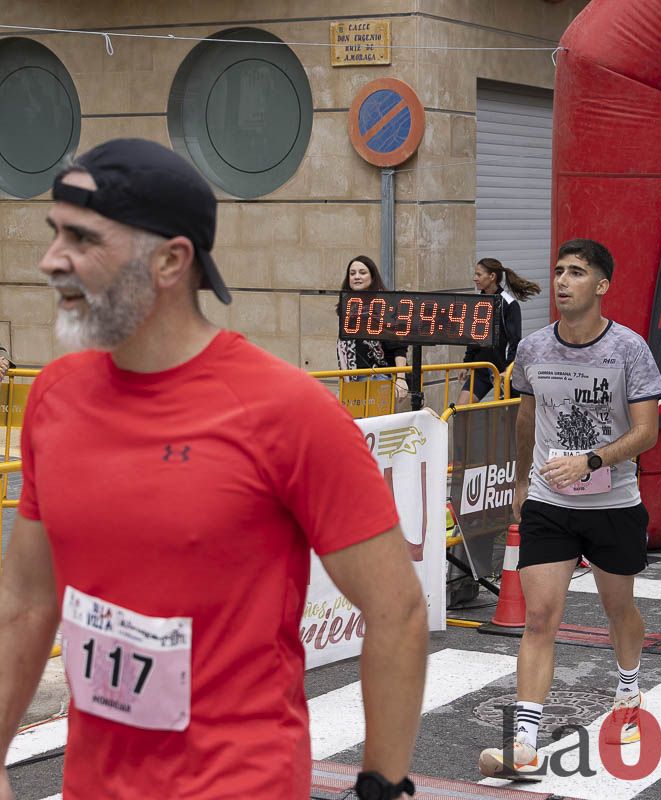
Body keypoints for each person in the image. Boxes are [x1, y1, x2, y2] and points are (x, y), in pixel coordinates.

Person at [0, 139, 428, 800]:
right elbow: (27, 602)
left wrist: (381, 783)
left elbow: (396, 608)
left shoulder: (288, 410)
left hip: (238, 781)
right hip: (93, 784)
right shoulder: (55, 395)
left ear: (171, 260)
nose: (51, 261)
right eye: (55, 233)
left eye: (82, 239)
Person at [477, 239, 661, 779]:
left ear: (602, 286)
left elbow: (646, 432)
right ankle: (524, 743)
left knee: (617, 610)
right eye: (558, 271)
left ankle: (629, 690)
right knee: (539, 618)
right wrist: (519, 482)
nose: (562, 281)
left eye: (577, 272)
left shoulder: (628, 349)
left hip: (612, 502)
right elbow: (524, 418)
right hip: (549, 500)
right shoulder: (534, 348)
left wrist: (592, 460)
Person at [455, 258, 541, 406]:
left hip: (503, 371)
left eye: (479, 274)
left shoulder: (509, 304)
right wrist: (466, 364)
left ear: (492, 276)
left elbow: (515, 341)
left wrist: (507, 371)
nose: (475, 278)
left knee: (510, 416)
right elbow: (473, 338)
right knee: (461, 410)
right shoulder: (476, 302)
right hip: (482, 369)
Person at [337, 255, 411, 405]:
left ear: (372, 276)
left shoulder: (384, 305)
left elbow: (399, 346)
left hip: (379, 377)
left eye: (362, 272)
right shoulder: (347, 306)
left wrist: (401, 378)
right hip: (352, 379)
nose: (357, 277)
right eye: (352, 273)